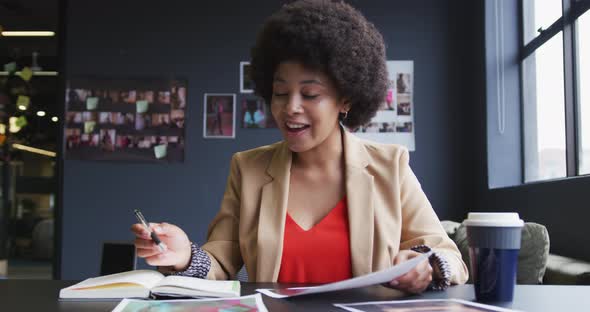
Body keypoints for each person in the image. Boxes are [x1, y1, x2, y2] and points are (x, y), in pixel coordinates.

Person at [131, 0, 468, 294]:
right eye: (280, 92)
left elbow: (449, 257)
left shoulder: (389, 166)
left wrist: (426, 265)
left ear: (345, 99)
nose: (290, 107)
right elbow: (221, 261)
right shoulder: (247, 169)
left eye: (310, 94)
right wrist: (185, 256)